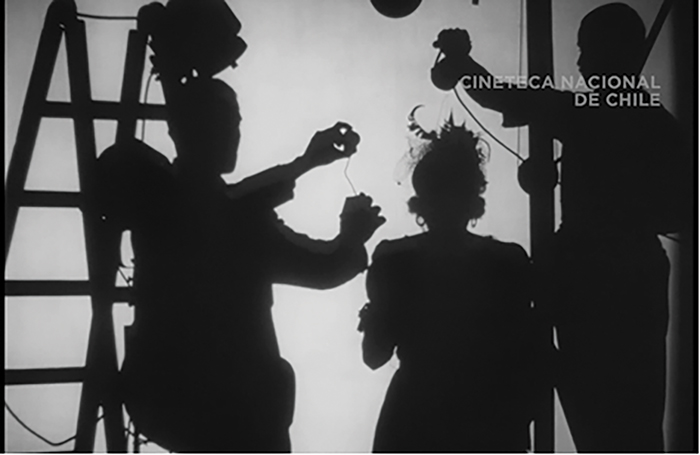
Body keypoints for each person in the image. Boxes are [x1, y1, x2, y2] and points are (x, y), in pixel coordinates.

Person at [430, 3, 692, 452]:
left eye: (587, 50)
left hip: (590, 275)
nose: (580, 62)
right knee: (627, 417)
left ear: (613, 52)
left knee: (604, 413)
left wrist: (460, 63)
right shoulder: (653, 125)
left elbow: (506, 97)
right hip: (624, 276)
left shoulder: (589, 112)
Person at [96, 77, 385, 452]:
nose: (232, 135)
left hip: (172, 403)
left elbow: (226, 205)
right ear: (183, 131)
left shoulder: (165, 198)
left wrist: (306, 167)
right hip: (235, 409)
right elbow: (321, 266)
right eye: (222, 123)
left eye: (235, 124)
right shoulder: (222, 214)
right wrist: (350, 235)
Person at [358, 117, 536, 453]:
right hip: (488, 420)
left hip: (414, 419)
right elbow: (525, 359)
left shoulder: (395, 260)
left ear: (421, 199)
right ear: (474, 197)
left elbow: (374, 354)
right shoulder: (508, 262)